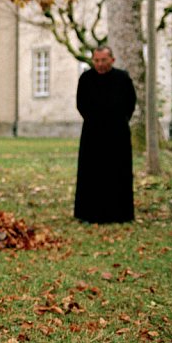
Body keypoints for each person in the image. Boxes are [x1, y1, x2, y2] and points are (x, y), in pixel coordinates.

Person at [74, 45, 136, 224]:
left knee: (118, 173)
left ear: (112, 60)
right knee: (91, 174)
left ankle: (120, 214)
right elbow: (81, 104)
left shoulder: (122, 78)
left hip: (118, 134)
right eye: (96, 60)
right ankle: (88, 214)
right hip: (92, 133)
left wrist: (117, 121)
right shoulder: (86, 79)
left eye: (103, 60)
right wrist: (96, 121)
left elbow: (130, 104)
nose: (100, 64)